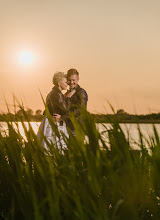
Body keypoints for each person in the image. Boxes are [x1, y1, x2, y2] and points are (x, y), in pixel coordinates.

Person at [37, 72, 75, 152]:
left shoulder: (54, 93)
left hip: (50, 121)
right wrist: (68, 97)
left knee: (49, 147)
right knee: (54, 148)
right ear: (59, 83)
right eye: (65, 82)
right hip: (53, 124)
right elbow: (65, 109)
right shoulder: (57, 94)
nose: (67, 84)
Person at [65, 68, 88, 135]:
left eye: (73, 80)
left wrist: (62, 117)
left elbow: (78, 110)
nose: (71, 82)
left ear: (78, 80)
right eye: (69, 80)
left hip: (76, 128)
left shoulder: (81, 92)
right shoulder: (67, 93)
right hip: (67, 127)